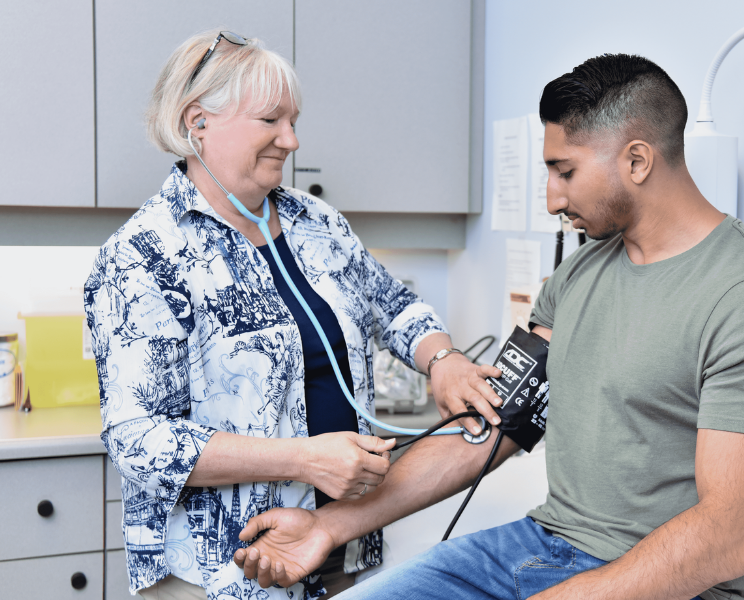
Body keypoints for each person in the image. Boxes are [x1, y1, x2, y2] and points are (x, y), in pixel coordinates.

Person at [231, 53, 744, 600]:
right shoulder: (577, 277)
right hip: (542, 547)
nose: (550, 198)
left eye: (564, 171)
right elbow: (492, 425)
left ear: (637, 160)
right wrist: (330, 526)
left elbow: (730, 537)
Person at [84, 30, 502, 600]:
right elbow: (138, 439)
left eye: (294, 120)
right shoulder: (142, 256)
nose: (292, 139)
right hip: (225, 572)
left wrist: (443, 359)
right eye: (271, 121)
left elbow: (395, 306)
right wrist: (306, 460)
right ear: (196, 122)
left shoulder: (316, 222)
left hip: (343, 543)